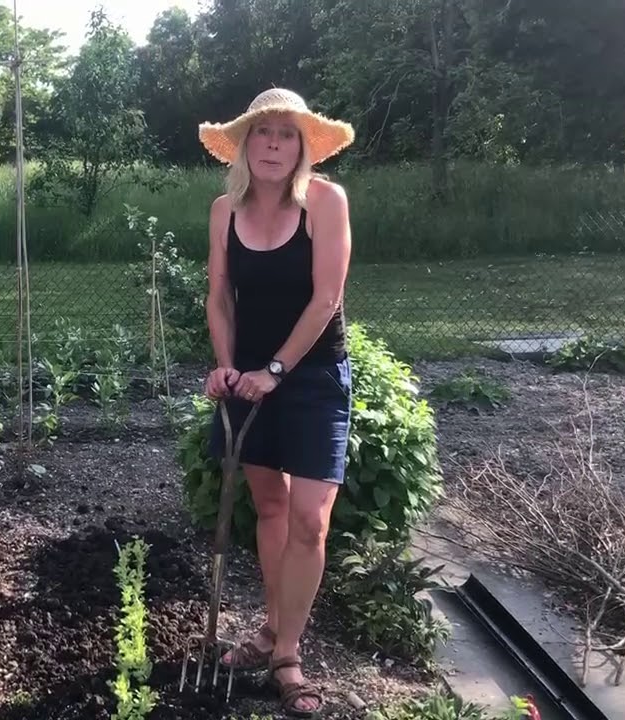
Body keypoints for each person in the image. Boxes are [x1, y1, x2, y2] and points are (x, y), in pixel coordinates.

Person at [196, 87, 355, 718]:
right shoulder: (222, 210)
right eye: (261, 132)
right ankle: (270, 628)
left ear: (301, 147)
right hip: (248, 382)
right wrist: (229, 366)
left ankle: (287, 652)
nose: (272, 144)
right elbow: (219, 297)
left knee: (310, 519)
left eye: (285, 134)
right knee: (269, 504)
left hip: (312, 378)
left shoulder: (325, 202)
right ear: (243, 144)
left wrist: (276, 370)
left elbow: (326, 299)